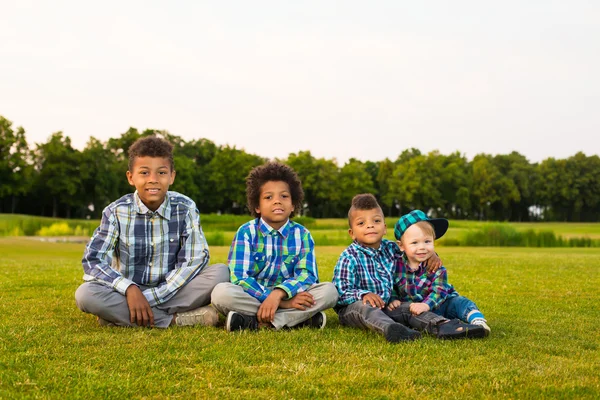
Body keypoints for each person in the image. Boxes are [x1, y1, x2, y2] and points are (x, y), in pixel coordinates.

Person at [75, 136, 229, 328]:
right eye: (145, 172)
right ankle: (175, 320)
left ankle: (120, 316)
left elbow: (194, 259)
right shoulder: (116, 212)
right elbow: (93, 260)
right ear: (131, 177)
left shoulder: (185, 207)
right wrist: (130, 290)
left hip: (173, 290)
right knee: (86, 294)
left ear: (172, 176)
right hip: (127, 292)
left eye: (161, 172)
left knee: (221, 273)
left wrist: (148, 298)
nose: (153, 180)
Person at [333, 194, 486, 343]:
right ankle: (392, 329)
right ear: (352, 233)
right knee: (365, 308)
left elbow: (414, 250)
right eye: (361, 223)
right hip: (355, 309)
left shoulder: (391, 248)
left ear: (385, 228)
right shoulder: (349, 256)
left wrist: (432, 255)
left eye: (376, 220)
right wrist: (364, 294)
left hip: (386, 307)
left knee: (410, 309)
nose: (370, 225)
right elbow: (339, 291)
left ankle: (445, 326)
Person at [211, 161, 339, 331]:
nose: (277, 201)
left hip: (291, 294)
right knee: (221, 293)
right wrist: (281, 302)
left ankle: (254, 322)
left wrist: (280, 294)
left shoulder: (302, 234)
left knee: (329, 291)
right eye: (268, 197)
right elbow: (240, 277)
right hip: (255, 296)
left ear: (293, 204)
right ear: (257, 206)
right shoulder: (246, 232)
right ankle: (296, 319)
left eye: (284, 196)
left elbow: (307, 275)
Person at [394, 209, 491, 335]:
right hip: (418, 311)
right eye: (414, 243)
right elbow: (391, 285)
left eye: (427, 241)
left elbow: (439, 291)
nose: (422, 247)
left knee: (460, 303)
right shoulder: (396, 265)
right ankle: (449, 324)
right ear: (401, 246)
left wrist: (426, 305)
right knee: (405, 314)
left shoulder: (435, 266)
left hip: (442, 303)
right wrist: (393, 298)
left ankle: (478, 321)